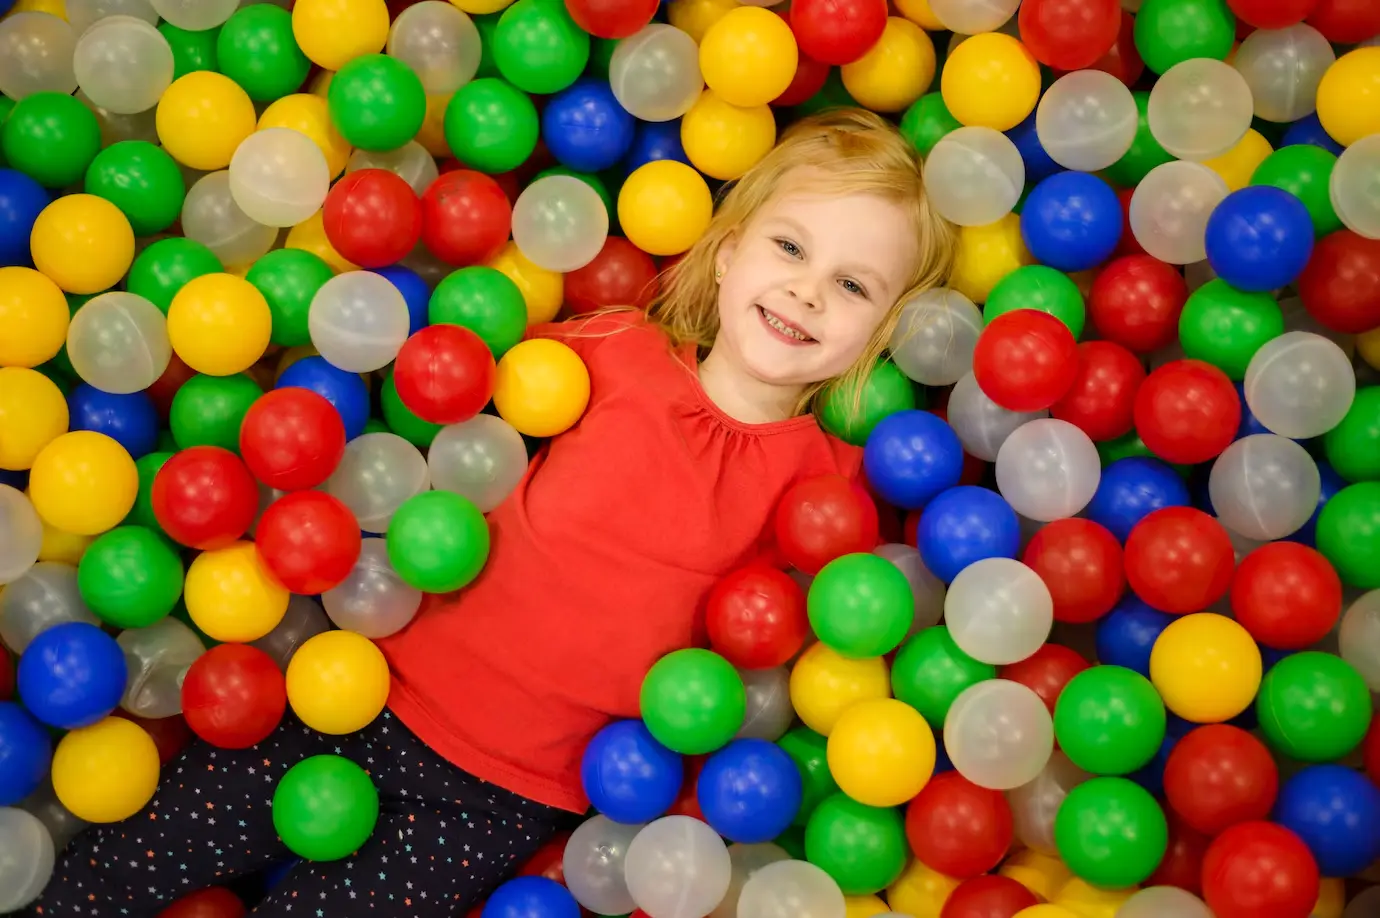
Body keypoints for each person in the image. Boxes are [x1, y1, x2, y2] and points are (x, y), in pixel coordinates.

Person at [26, 108, 955, 917]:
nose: (806, 290)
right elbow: (459, 416)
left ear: (879, 333)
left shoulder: (825, 488)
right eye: (791, 248)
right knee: (127, 868)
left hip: (500, 798)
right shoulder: (614, 354)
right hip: (354, 692)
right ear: (727, 252)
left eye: (852, 285)